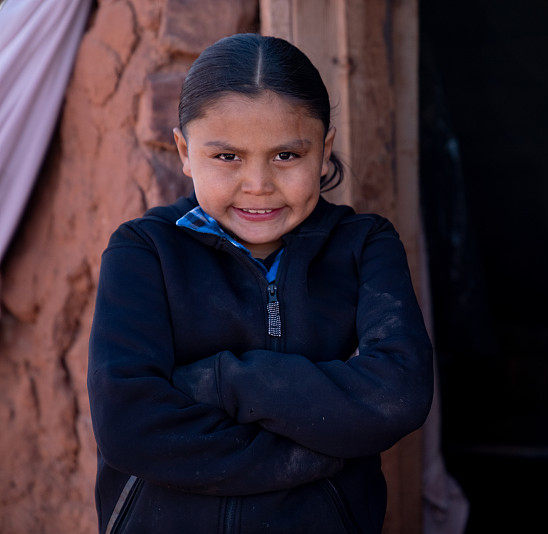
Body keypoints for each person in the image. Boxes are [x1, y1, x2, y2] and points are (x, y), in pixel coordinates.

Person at [87, 33, 434, 534]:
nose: (258, 184)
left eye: (286, 156)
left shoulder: (364, 246)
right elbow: (129, 426)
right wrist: (325, 441)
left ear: (323, 149)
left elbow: (398, 396)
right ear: (185, 152)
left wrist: (221, 381)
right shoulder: (145, 251)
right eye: (227, 157)